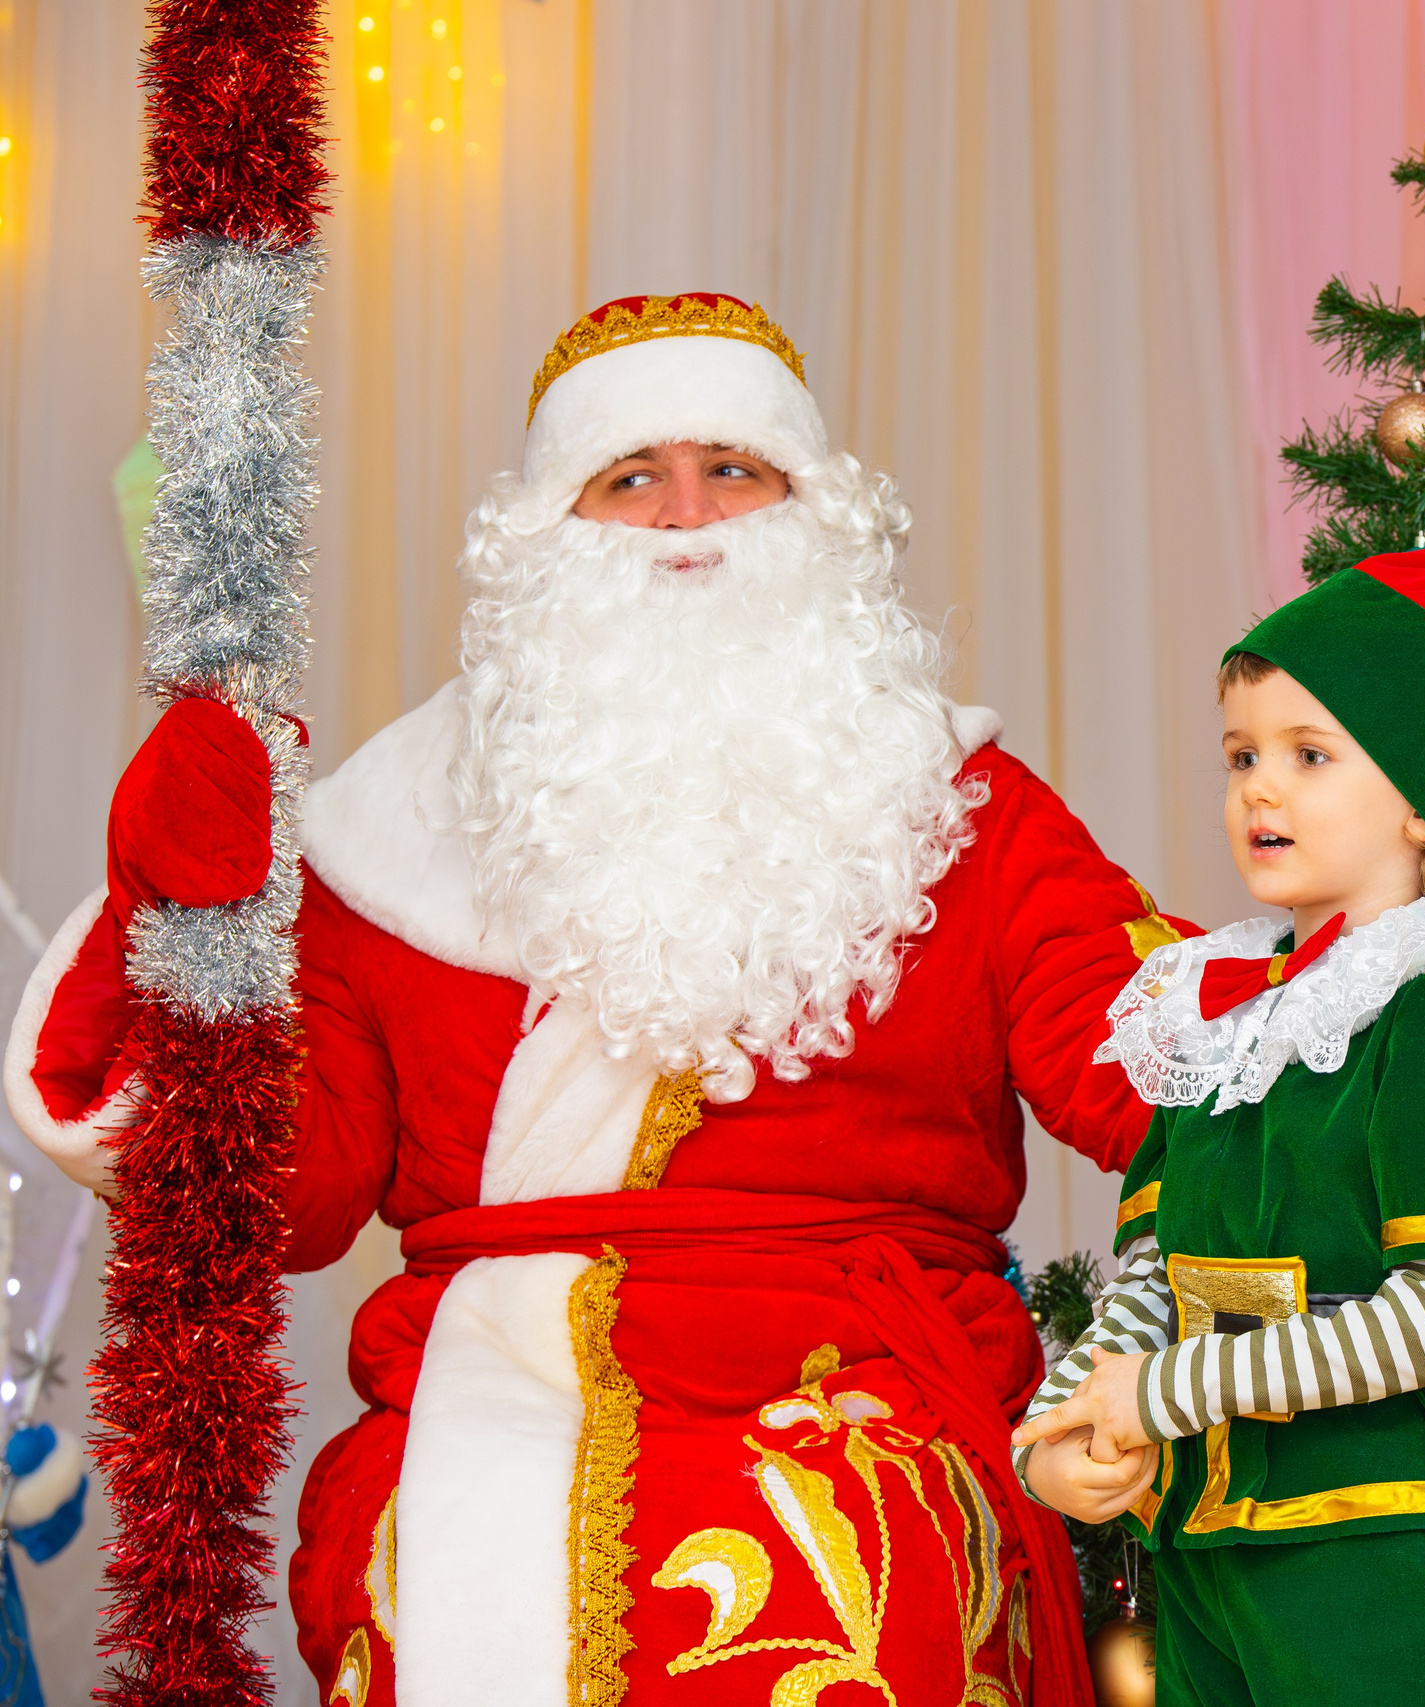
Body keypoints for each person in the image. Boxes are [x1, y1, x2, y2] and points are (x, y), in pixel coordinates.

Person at [3, 293, 1191, 1707]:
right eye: (630, 478)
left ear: (810, 509)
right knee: (428, 1562)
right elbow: (282, 1195)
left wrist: (1397, 999)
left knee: (859, 1552)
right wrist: (190, 910)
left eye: (733, 469)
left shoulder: (959, 804)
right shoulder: (391, 831)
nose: (688, 516)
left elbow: (1147, 1053)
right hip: (487, 1381)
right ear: (549, 531)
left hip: (862, 1366)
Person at [1009, 547, 1425, 1706]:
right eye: (1242, 756)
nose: (1260, 789)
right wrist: (1055, 1432)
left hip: (1359, 1543)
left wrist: (1165, 1397)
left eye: (1310, 756)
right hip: (1201, 1539)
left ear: (1419, 802)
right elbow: (1153, 1277)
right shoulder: (1212, 1014)